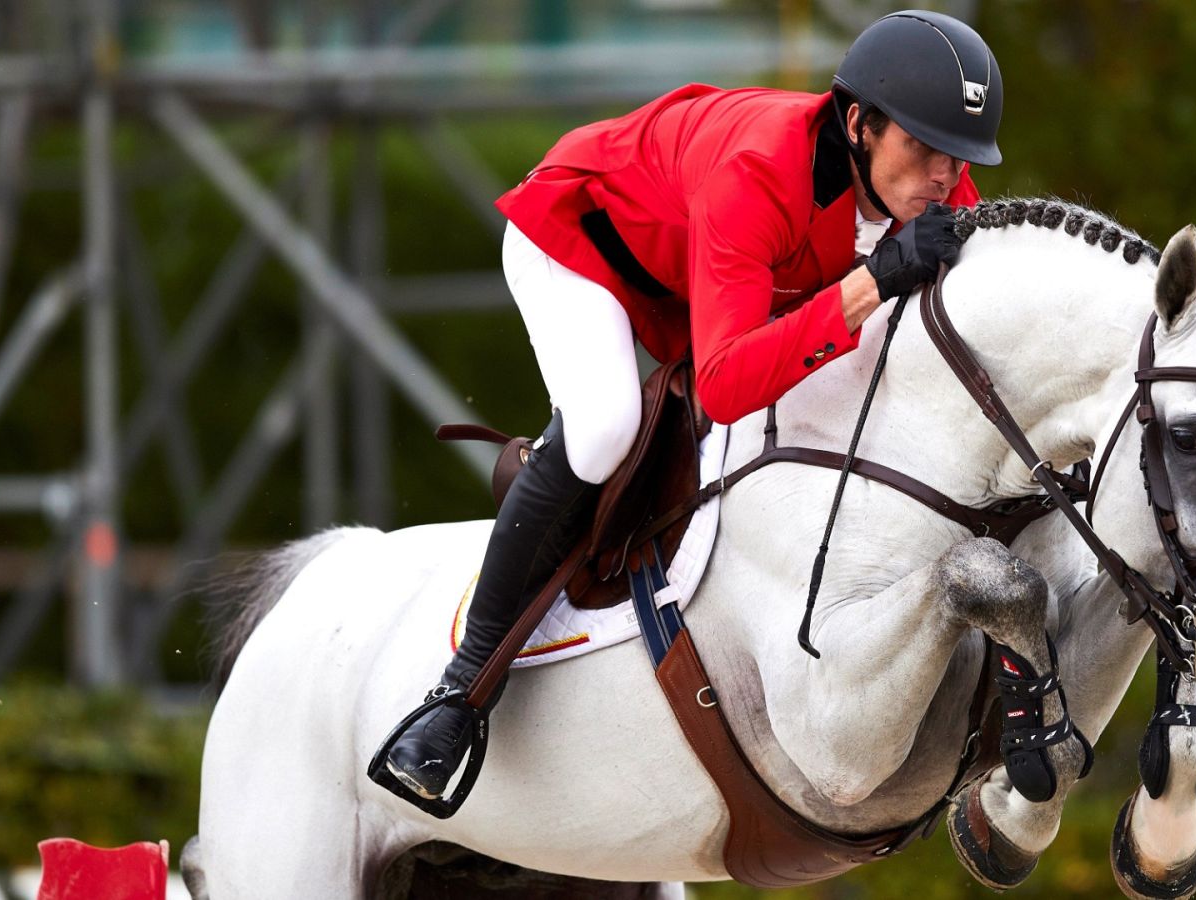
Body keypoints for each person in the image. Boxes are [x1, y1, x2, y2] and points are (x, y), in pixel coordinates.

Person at [374, 9, 1004, 806]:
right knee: (605, 429)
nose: (944, 177)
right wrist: (870, 284)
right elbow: (726, 386)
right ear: (859, 125)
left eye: (959, 155)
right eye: (922, 147)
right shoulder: (758, 173)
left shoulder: (935, 188)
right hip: (585, 244)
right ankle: (458, 695)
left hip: (699, 275)